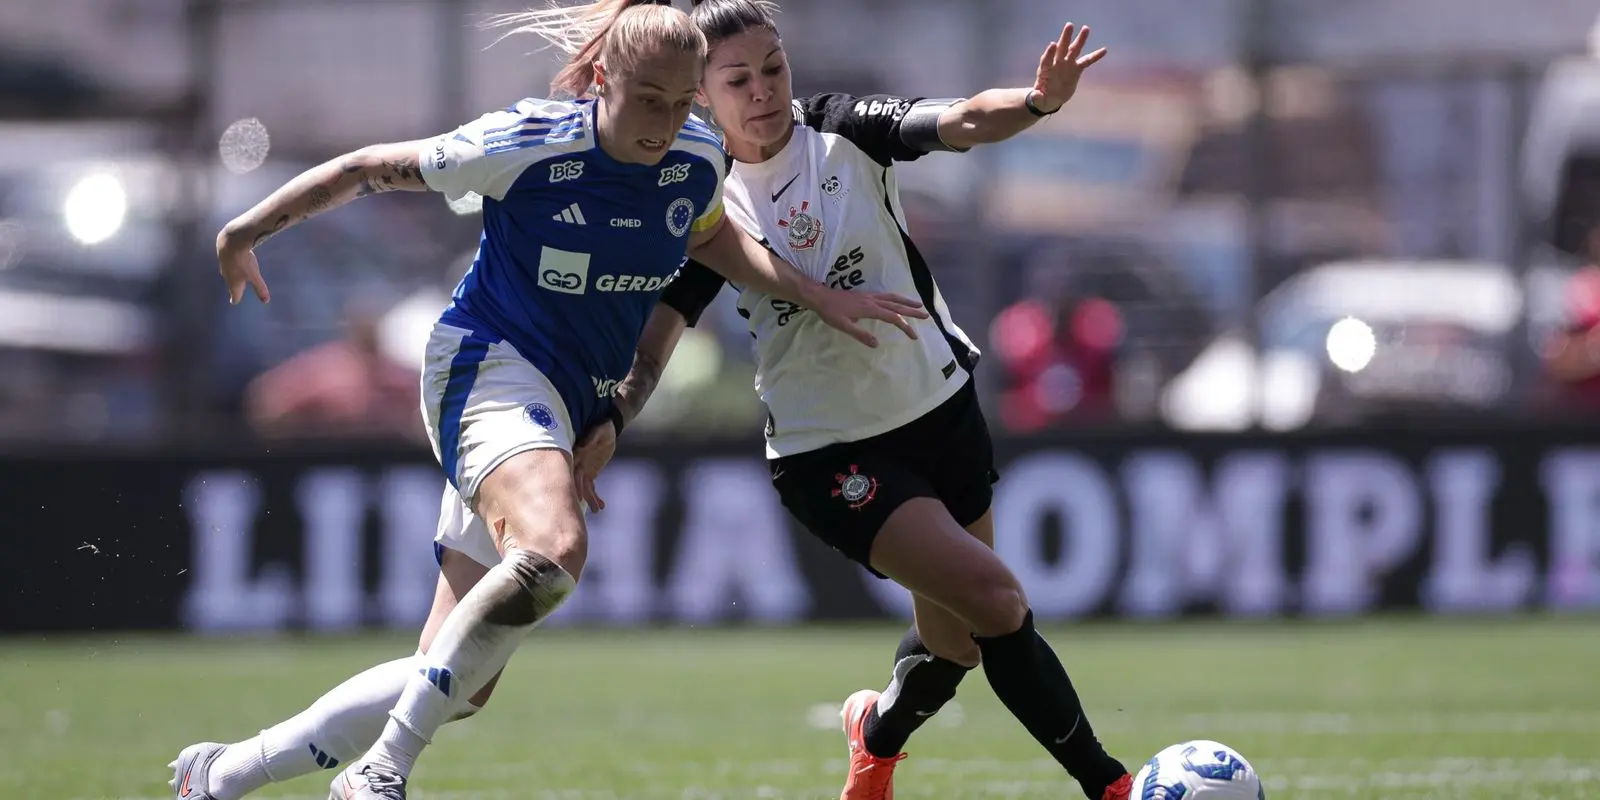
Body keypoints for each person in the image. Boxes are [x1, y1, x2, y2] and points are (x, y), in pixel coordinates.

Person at [167, 2, 928, 799]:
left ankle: (220, 773)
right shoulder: (528, 141)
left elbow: (708, 236)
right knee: (557, 547)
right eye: (648, 100)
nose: (665, 123)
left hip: (561, 406)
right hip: (487, 368)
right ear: (602, 79)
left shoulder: (698, 154)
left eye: (681, 102)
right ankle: (380, 773)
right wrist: (245, 231)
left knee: (459, 679)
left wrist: (811, 293)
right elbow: (366, 168)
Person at [569, 2, 1133, 799]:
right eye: (739, 79)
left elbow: (965, 120)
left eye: (774, 68)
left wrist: (1037, 102)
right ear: (701, 95)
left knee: (957, 645)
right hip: (831, 452)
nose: (764, 90)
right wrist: (616, 417)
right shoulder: (701, 196)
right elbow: (656, 343)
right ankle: (1112, 786)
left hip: (941, 411)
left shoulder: (842, 129)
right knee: (997, 600)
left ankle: (874, 738)